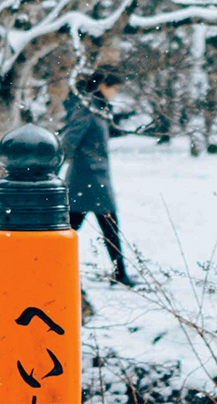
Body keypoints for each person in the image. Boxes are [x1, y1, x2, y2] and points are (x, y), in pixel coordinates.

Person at [60, 66, 136, 287]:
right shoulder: (87, 110)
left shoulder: (99, 109)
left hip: (95, 178)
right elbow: (69, 141)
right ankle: (119, 273)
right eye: (114, 88)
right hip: (87, 179)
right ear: (103, 86)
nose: (115, 93)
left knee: (82, 226)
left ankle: (119, 272)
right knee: (79, 227)